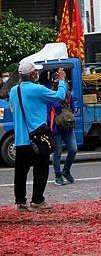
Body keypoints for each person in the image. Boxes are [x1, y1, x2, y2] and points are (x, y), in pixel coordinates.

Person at [10, 62, 67, 211]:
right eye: (35, 72)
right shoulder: (37, 89)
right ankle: (37, 201)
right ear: (31, 75)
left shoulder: (14, 91)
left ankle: (20, 202)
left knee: (21, 172)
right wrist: (61, 80)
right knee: (41, 169)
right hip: (37, 137)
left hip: (21, 139)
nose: (37, 74)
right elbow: (59, 96)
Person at [48, 74, 77, 186]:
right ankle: (57, 175)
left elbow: (73, 109)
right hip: (56, 128)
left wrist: (67, 116)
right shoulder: (51, 95)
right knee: (58, 152)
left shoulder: (69, 95)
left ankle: (66, 170)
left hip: (68, 127)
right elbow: (48, 113)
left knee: (73, 149)